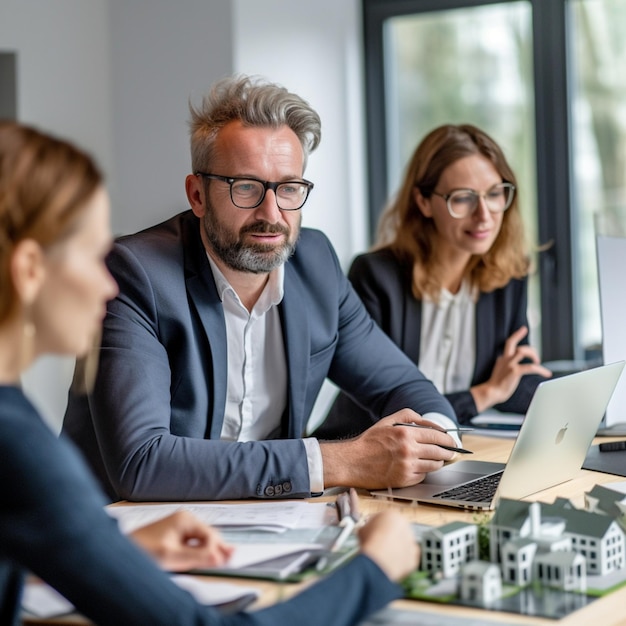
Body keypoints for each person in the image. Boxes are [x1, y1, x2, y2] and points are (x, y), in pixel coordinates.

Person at [0, 120, 420, 626]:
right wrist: (375, 570)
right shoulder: (15, 443)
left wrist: (117, 550)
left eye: (288, 189)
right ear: (29, 269)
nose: (105, 284)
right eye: (92, 256)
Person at [62, 74, 462, 503]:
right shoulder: (134, 274)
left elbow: (405, 386)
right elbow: (142, 462)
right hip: (123, 532)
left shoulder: (316, 264)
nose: (271, 214)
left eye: (289, 188)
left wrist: (437, 441)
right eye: (246, 188)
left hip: (272, 525)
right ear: (197, 195)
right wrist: (337, 462)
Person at [322, 123, 552, 435]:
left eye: (494, 194)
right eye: (463, 198)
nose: (484, 215)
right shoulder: (376, 277)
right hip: (363, 454)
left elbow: (512, 381)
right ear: (424, 201)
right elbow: (390, 417)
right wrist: (484, 395)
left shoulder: (509, 276)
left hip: (459, 450)